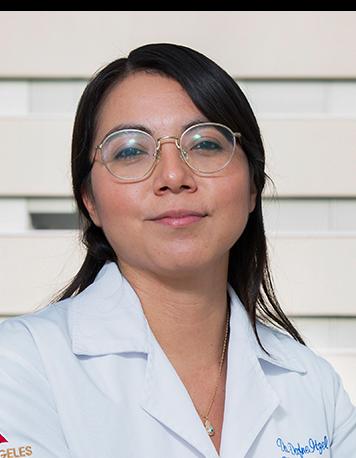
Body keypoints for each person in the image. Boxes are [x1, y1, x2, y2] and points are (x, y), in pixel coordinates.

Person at [0, 43, 355, 458]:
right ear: (89, 201)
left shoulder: (313, 385)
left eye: (205, 144)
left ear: (253, 186)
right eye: (131, 150)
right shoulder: (20, 364)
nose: (173, 175)